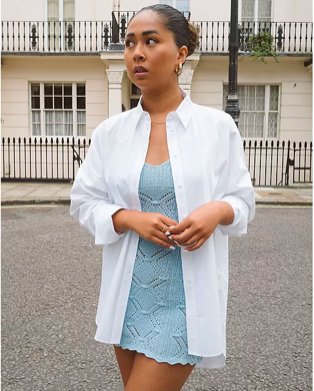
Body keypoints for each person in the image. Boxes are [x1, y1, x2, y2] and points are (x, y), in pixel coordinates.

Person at [70, 4, 255, 390]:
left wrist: (217, 211)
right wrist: (127, 218)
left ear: (181, 55)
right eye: (130, 43)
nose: (137, 52)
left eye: (151, 41)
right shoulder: (110, 133)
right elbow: (84, 200)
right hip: (127, 294)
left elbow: (242, 200)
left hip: (185, 299)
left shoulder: (216, 128)